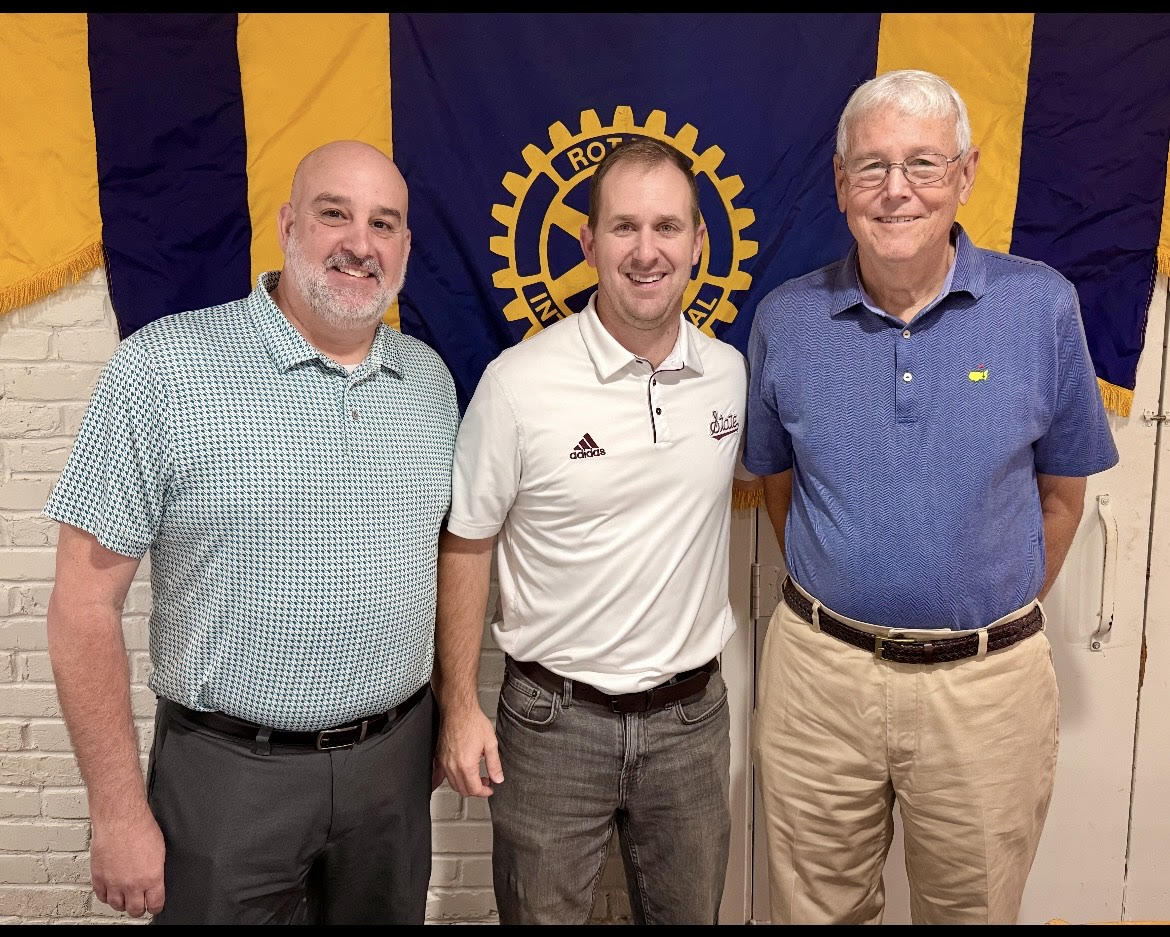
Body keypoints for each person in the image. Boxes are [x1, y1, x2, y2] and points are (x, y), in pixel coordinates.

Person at [42, 140, 459, 924]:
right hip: (228, 775)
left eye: (383, 224)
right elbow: (82, 604)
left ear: (405, 247)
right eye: (334, 214)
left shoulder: (429, 384)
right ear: (287, 225)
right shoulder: (164, 368)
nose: (360, 243)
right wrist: (117, 810)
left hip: (393, 768)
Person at [744, 69, 1119, 925]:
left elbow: (1062, 497)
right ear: (840, 182)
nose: (897, 189)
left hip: (986, 691)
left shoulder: (1041, 307)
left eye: (923, 162)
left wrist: (981, 619)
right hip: (820, 681)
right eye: (872, 166)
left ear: (966, 173)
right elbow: (777, 484)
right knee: (815, 911)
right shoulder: (786, 320)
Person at [434, 137, 749, 924]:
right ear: (588, 242)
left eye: (667, 227)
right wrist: (459, 706)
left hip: (691, 723)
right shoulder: (518, 384)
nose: (646, 251)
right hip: (552, 725)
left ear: (698, 243)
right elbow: (467, 540)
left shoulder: (729, 375)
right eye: (624, 227)